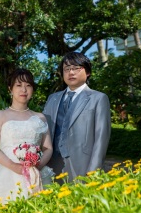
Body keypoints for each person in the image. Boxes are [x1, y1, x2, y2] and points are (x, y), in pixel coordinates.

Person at [0, 69, 53, 210]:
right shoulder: (1, 115)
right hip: (8, 172)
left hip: (36, 172)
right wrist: (14, 166)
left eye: (28, 85)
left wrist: (38, 166)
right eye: (18, 85)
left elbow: (48, 148)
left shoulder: (40, 117)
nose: (23, 89)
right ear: (10, 89)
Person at [43, 52, 111, 183]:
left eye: (76, 68)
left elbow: (101, 138)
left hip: (83, 163)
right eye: (66, 69)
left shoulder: (98, 98)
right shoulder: (53, 98)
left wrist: (94, 170)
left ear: (88, 72)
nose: (71, 72)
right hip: (52, 163)